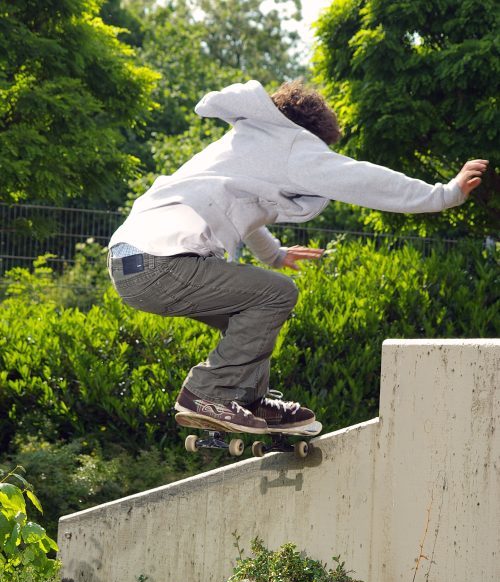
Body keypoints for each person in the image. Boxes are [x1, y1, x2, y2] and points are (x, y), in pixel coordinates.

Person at [107, 79, 488, 434]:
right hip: (164, 264)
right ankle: (211, 394)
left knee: (253, 314)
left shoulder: (243, 143)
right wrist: (444, 194)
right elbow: (364, 179)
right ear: (312, 133)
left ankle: (246, 401)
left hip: (132, 266)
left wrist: (274, 254)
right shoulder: (294, 145)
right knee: (278, 294)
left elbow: (243, 212)